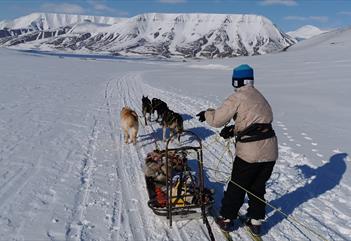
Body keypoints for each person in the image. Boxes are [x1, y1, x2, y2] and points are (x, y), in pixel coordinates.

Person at [196, 64, 278, 236]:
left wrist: (206, 113)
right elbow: (257, 122)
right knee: (257, 186)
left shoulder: (238, 96)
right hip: (270, 151)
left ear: (236, 80)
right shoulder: (260, 97)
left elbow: (217, 120)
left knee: (237, 185)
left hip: (250, 152)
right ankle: (255, 221)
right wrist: (233, 130)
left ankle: (226, 218)